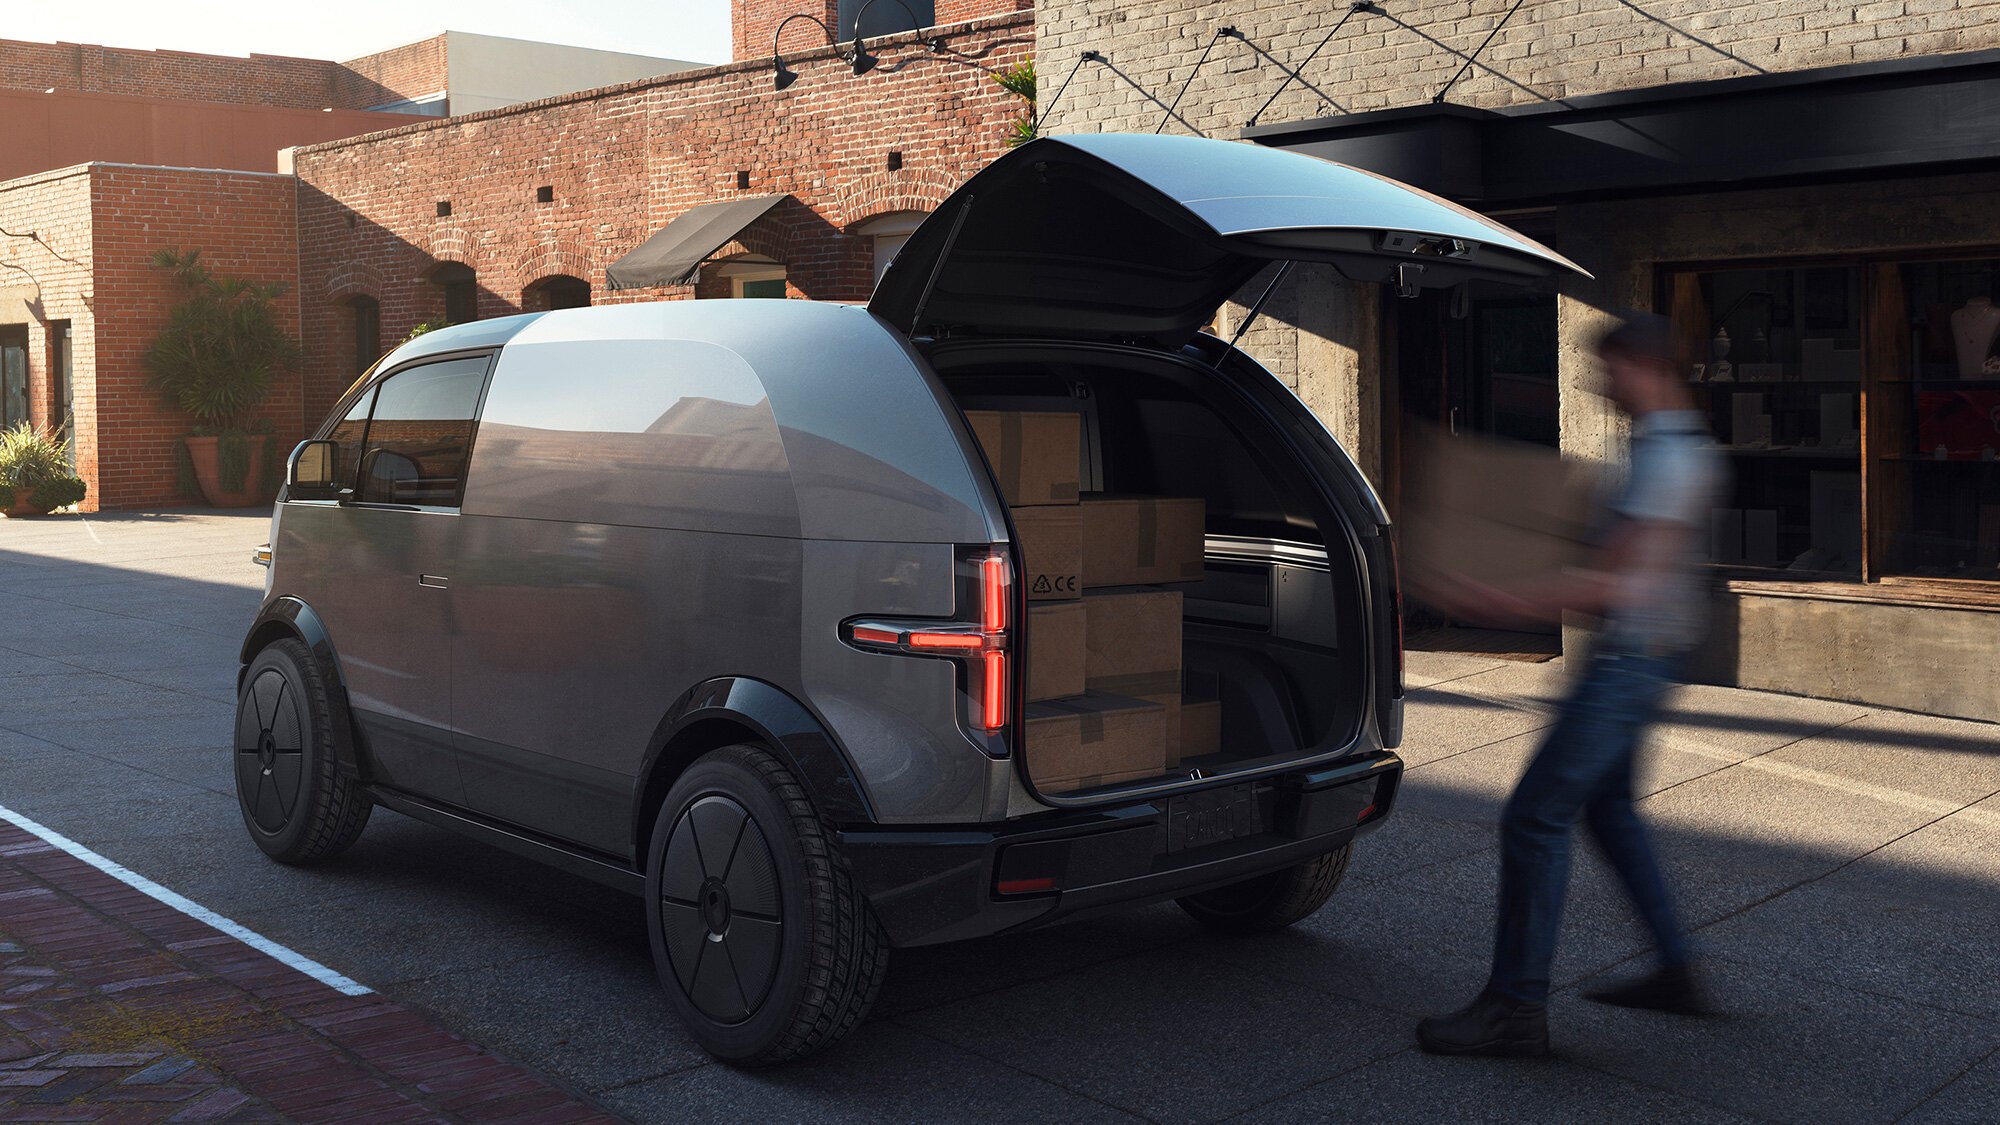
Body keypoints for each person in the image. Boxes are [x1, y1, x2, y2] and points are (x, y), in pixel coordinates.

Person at [1415, 311, 1726, 1058]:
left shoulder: (1671, 460)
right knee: (1609, 811)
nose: (1599, 384)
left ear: (1646, 369)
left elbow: (1612, 583)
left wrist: (1497, 600)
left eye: (1609, 369)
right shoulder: (1666, 448)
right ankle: (1677, 971)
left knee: (1533, 816)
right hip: (1641, 656)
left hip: (1629, 662)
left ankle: (1514, 1009)